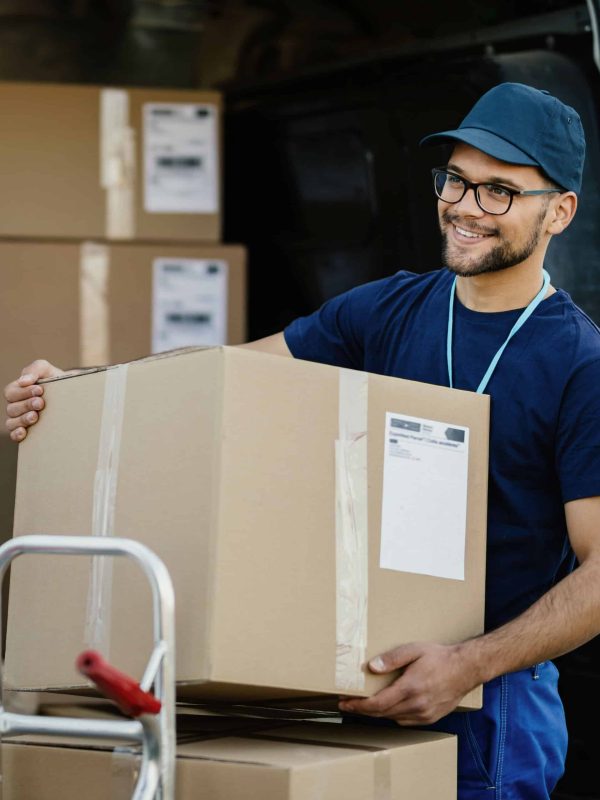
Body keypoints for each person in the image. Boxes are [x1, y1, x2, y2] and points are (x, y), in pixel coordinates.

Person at [5, 82, 600, 799]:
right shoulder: (387, 308)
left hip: (489, 707)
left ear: (560, 211)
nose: (468, 207)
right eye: (458, 181)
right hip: (353, 681)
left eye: (501, 191)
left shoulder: (580, 364)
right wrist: (76, 390)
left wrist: (470, 664)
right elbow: (222, 377)